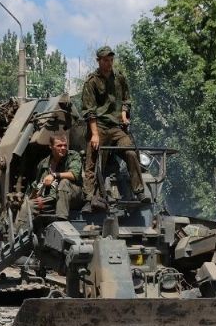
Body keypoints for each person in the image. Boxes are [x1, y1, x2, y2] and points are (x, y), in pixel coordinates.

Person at [81, 45, 147, 208]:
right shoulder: (91, 82)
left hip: (116, 127)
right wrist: (95, 134)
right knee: (94, 158)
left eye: (111, 60)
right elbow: (89, 111)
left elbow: (126, 99)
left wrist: (124, 114)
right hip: (100, 126)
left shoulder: (119, 78)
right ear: (99, 61)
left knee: (131, 152)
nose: (109, 63)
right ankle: (91, 198)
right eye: (106, 60)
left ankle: (139, 191)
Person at [20, 134, 84, 225]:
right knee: (28, 205)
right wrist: (30, 198)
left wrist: (54, 175)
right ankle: (18, 234)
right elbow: (37, 184)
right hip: (52, 198)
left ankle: (61, 221)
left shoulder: (73, 156)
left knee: (64, 182)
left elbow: (74, 175)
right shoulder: (44, 163)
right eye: (59, 145)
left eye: (65, 145)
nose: (63, 148)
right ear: (51, 147)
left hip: (73, 196)